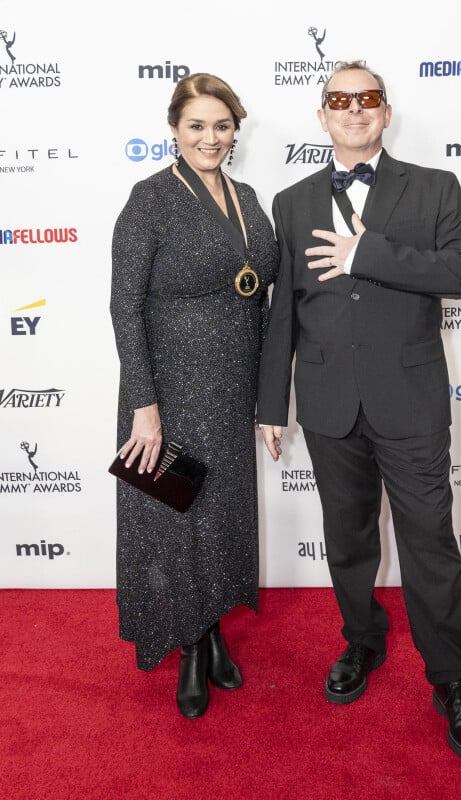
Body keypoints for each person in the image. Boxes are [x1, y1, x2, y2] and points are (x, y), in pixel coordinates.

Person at [257, 61, 461, 762]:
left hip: (410, 400)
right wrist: (272, 402)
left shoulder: (436, 187)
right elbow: (282, 314)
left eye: (366, 100)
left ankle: (452, 679)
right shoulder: (291, 201)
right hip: (329, 402)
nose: (353, 111)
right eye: (339, 101)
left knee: (429, 543)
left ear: (385, 113)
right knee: (349, 541)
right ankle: (361, 640)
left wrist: (370, 254)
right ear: (321, 115)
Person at [110, 73, 279, 719]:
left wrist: (267, 399)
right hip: (171, 392)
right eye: (197, 125)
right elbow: (124, 307)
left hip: (233, 390)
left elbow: (258, 296)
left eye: (222, 125)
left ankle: (212, 629)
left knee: (221, 517)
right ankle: (189, 643)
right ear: (175, 129)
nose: (211, 137)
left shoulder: (249, 196)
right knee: (175, 519)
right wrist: (143, 403)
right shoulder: (149, 198)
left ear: (236, 131)